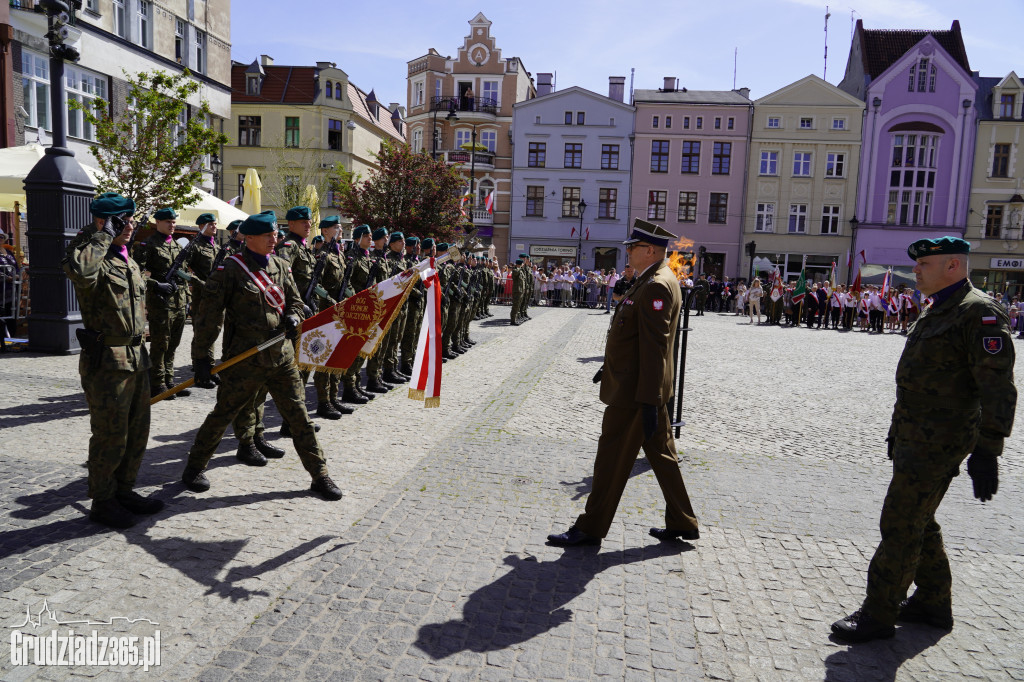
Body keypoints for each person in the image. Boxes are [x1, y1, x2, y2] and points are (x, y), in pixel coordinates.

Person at [831, 236, 1016, 643]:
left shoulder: (978, 312)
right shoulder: (941, 309)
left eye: (924, 265)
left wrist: (988, 450)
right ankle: (933, 602)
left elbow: (998, 389)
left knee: (899, 523)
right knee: (920, 519)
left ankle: (877, 616)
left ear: (953, 266)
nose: (915, 271)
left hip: (940, 442)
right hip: (915, 437)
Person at [547, 219, 699, 547]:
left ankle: (590, 527)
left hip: (636, 396)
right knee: (662, 455)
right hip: (639, 387)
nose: (627, 251)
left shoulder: (657, 284)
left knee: (611, 458)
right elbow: (633, 337)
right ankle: (683, 521)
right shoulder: (649, 279)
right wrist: (613, 366)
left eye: (632, 247)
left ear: (650, 250)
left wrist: (647, 399)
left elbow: (655, 347)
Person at [182, 210, 343, 501]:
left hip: (281, 357)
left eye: (275, 234)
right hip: (243, 359)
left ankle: (320, 476)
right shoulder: (230, 269)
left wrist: (294, 317)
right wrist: (202, 359)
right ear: (250, 237)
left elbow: (295, 301)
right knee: (223, 415)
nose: (275, 239)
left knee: (300, 418)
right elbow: (208, 317)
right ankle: (194, 467)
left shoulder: (280, 266)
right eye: (268, 235)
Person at [62, 193, 164, 528]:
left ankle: (124, 490)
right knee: (110, 434)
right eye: (124, 219)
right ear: (104, 220)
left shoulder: (126, 257)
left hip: (137, 357)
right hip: (107, 361)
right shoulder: (88, 251)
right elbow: (81, 273)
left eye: (131, 219)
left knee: (137, 432)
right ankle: (103, 501)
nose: (131, 225)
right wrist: (104, 233)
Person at [136, 207, 191, 399]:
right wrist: (156, 284)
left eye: (174, 222)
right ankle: (157, 384)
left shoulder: (177, 246)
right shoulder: (147, 244)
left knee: (173, 344)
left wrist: (187, 298)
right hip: (160, 302)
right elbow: (137, 273)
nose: (172, 225)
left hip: (178, 301)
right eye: (168, 222)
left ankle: (169, 381)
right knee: (160, 344)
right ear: (157, 223)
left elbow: (183, 275)